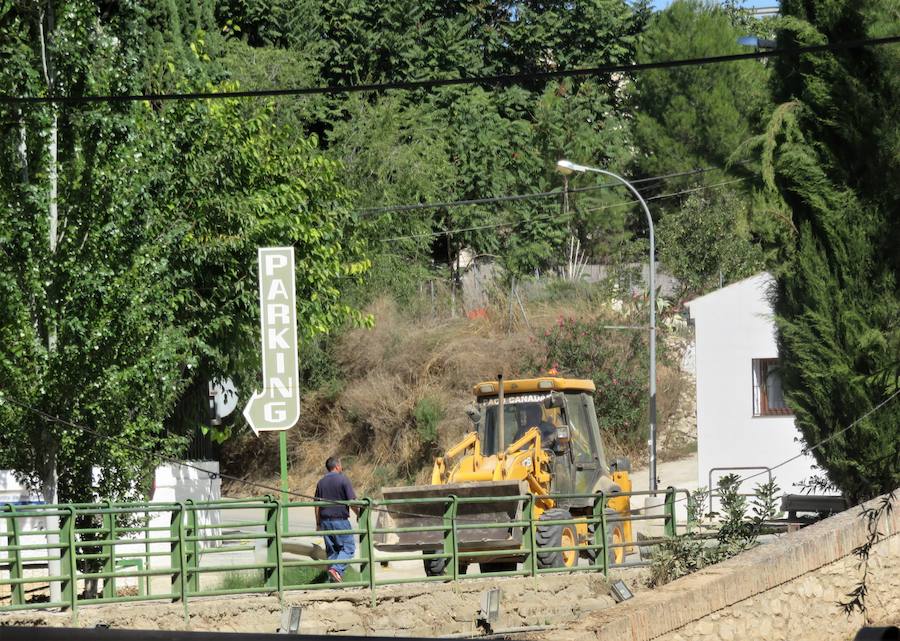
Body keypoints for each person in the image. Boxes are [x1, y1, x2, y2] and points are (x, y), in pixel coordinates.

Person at [314, 456, 358, 583]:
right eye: (341, 465)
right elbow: (352, 501)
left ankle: (333, 582)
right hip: (340, 520)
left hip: (325, 521)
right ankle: (337, 570)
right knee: (349, 548)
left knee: (332, 551)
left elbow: (316, 504)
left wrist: (318, 522)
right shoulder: (343, 479)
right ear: (337, 466)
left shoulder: (321, 482)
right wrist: (359, 514)